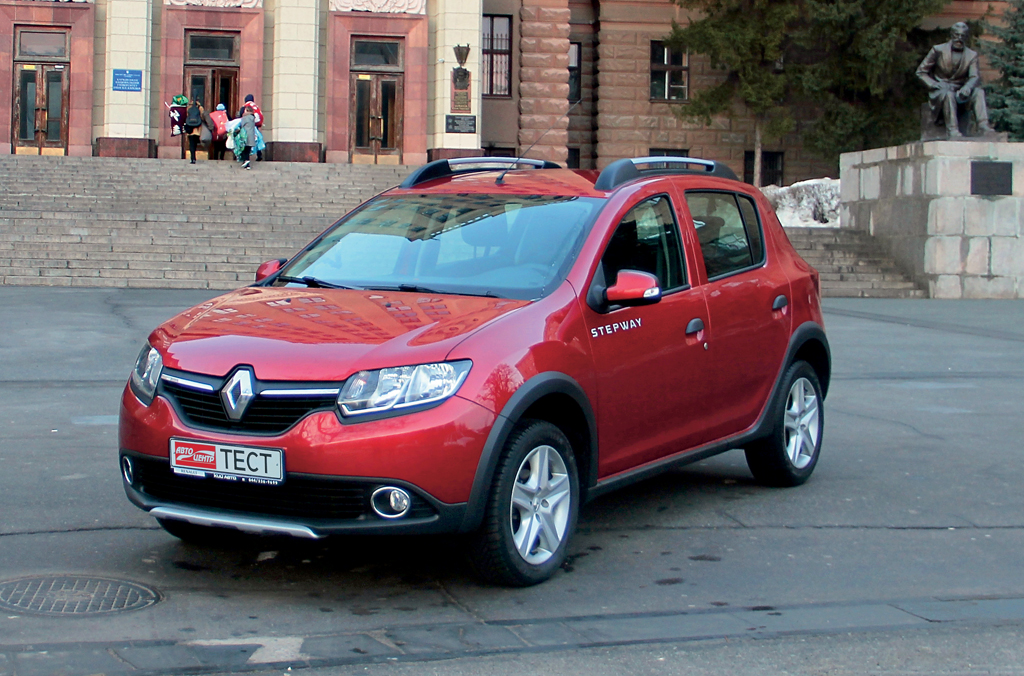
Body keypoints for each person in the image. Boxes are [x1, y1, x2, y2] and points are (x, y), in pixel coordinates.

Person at [916, 22, 994, 138]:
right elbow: (921, 72)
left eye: (963, 36)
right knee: (948, 94)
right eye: (957, 35)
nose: (959, 39)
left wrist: (967, 87)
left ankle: (983, 126)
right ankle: (952, 130)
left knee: (978, 92)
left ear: (966, 37)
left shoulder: (971, 55)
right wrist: (934, 84)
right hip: (941, 91)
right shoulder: (938, 50)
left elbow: (974, 76)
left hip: (960, 91)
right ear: (951, 35)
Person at [241, 94, 264, 161]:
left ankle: (244, 157)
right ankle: (259, 155)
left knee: (245, 142)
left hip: (248, 126)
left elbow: (241, 116)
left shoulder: (246, 106)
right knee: (257, 141)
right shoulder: (256, 107)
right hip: (255, 126)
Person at [183, 99, 205, 164]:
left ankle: (192, 158)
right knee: (195, 144)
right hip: (197, 129)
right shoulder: (200, 108)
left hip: (190, 129)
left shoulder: (189, 107)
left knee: (191, 144)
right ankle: (195, 156)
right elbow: (202, 117)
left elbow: (186, 117)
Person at [238, 103, 257, 170]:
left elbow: (241, 125)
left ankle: (245, 162)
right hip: (251, 137)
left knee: (244, 150)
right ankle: (247, 164)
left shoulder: (245, 118)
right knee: (248, 150)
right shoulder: (252, 117)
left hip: (245, 136)